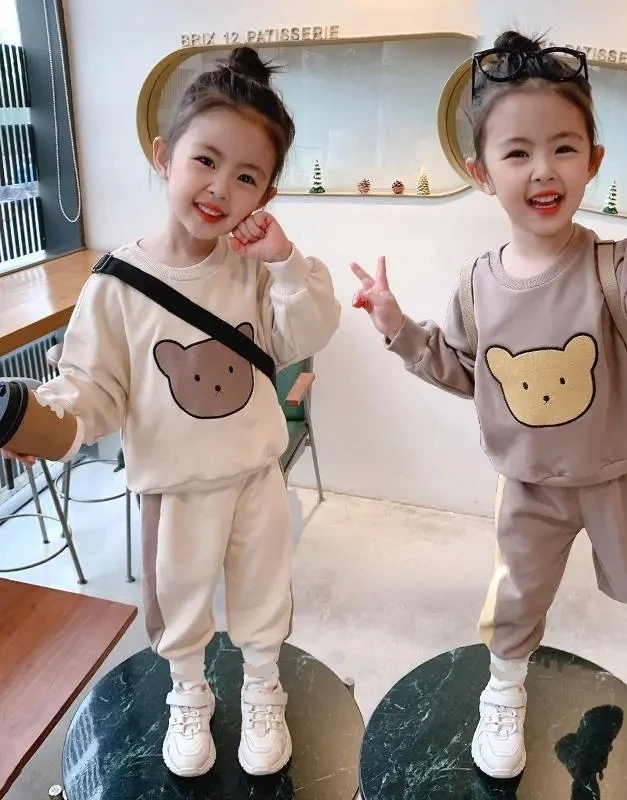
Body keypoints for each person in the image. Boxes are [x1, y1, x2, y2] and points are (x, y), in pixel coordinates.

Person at [351, 30, 627, 780]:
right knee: (515, 598)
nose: (543, 169)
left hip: (615, 472)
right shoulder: (476, 284)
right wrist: (399, 329)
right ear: (481, 172)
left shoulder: (614, 269)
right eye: (517, 152)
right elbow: (464, 372)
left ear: (593, 160)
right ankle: (504, 688)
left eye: (564, 147)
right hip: (529, 482)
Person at [2, 47, 340, 778]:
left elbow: (308, 331)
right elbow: (93, 388)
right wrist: (44, 419)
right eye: (205, 160)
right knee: (178, 601)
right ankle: (188, 692)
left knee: (262, 593)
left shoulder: (255, 272)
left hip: (254, 473)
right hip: (173, 483)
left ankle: (262, 687)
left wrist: (286, 262)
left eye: (246, 176)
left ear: (267, 193)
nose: (220, 188)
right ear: (164, 155)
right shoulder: (117, 283)